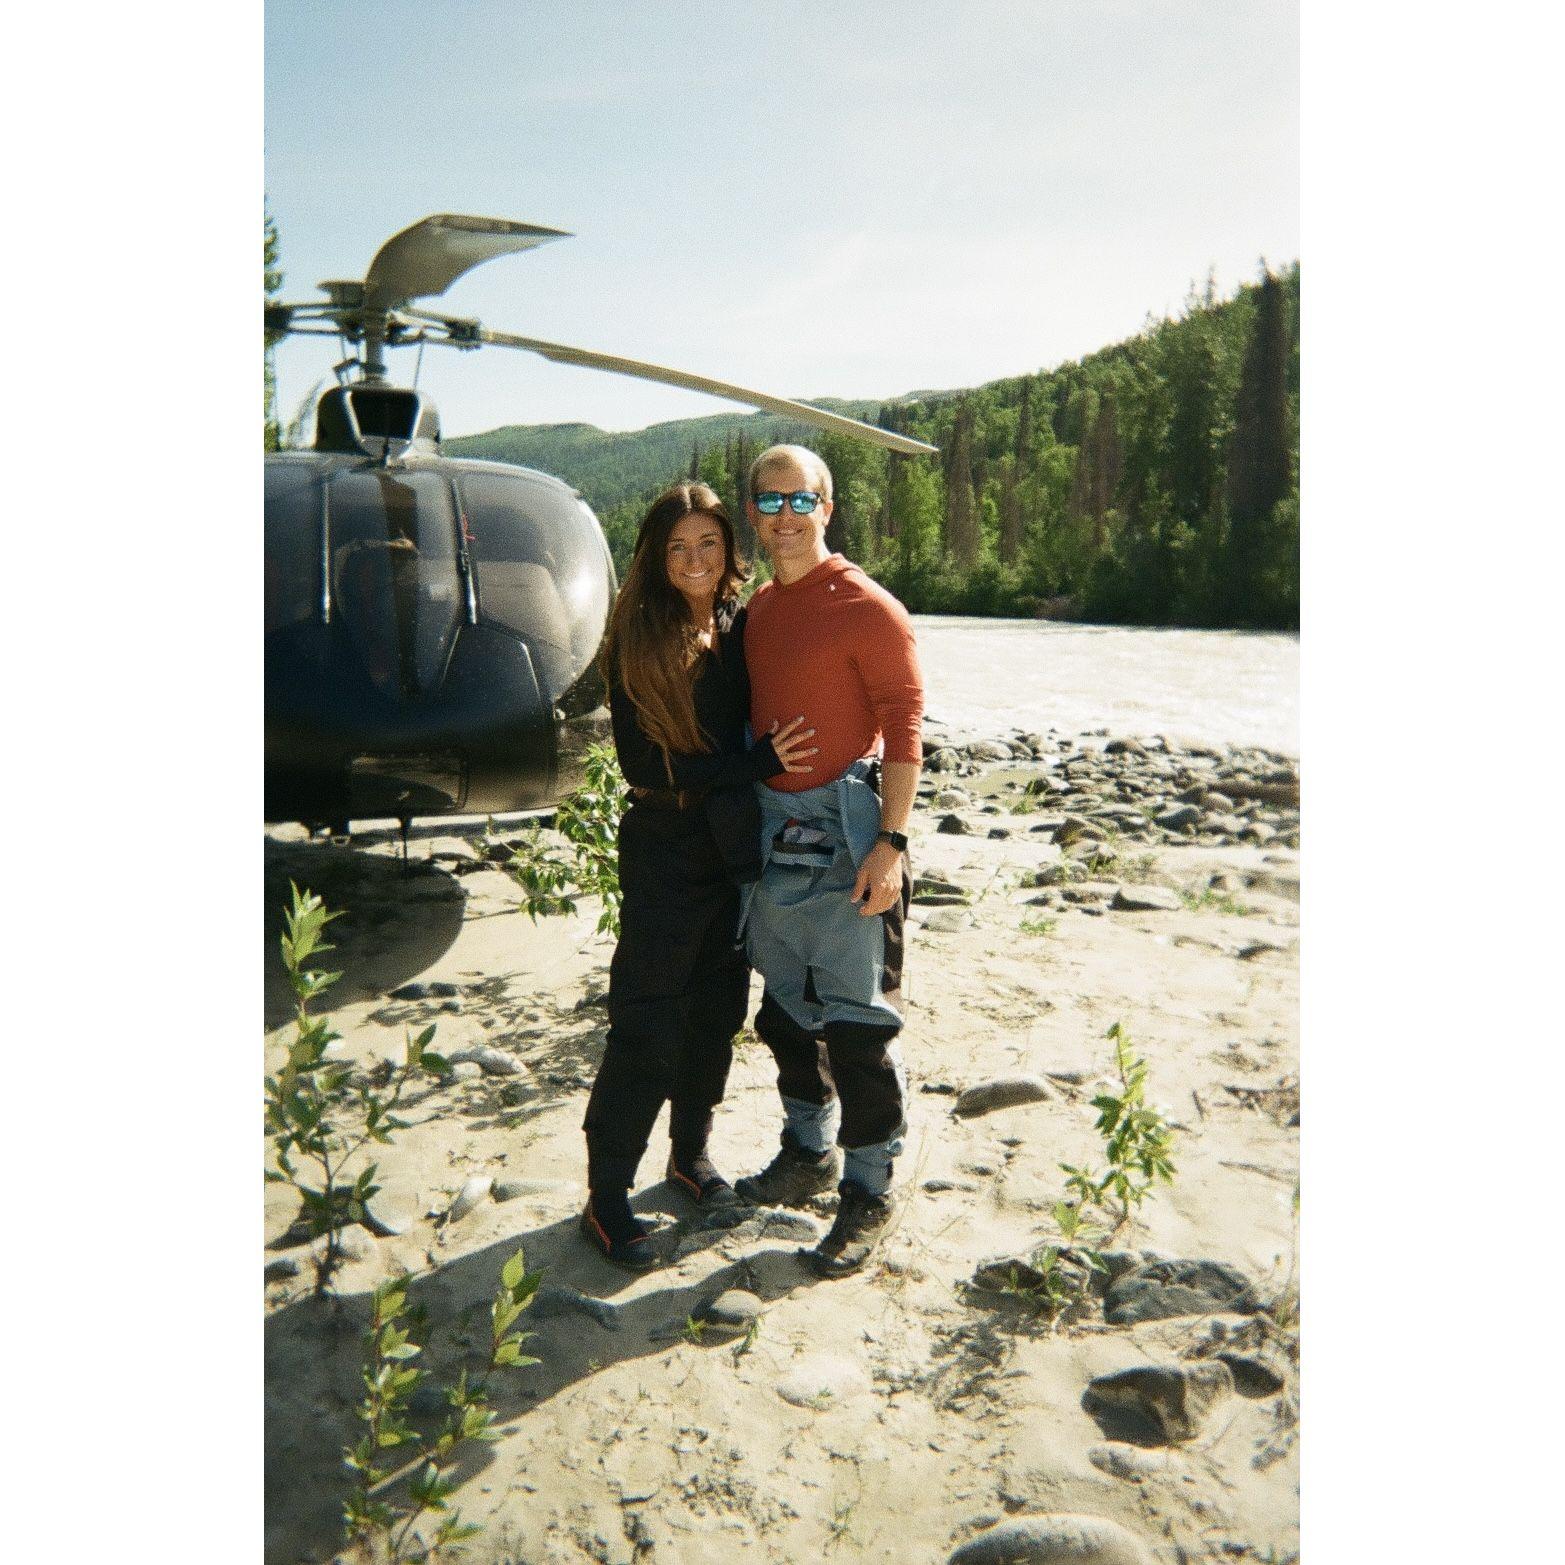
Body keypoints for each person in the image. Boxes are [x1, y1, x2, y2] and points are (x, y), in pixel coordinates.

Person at [580, 482, 817, 1269]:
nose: (693, 560)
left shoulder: (734, 623)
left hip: (731, 848)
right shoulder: (636, 636)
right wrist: (751, 762)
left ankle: (689, 1155)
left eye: (707, 545)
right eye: (678, 547)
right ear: (656, 554)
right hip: (664, 846)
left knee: (716, 1011)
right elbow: (642, 761)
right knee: (647, 1020)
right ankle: (607, 1196)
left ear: (727, 551)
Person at [734, 445, 924, 1278]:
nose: (783, 516)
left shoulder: (868, 607)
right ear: (752, 513)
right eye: (768, 502)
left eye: (798, 500)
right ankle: (805, 1151)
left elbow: (905, 724)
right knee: (783, 1011)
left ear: (826, 507)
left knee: (856, 1025)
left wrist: (891, 843)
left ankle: (869, 1188)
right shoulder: (758, 611)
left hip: (850, 833)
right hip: (773, 835)